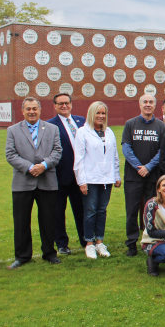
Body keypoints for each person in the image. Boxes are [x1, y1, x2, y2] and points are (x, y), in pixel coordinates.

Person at [5, 97, 63, 269]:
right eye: (28, 109)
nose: (31, 112)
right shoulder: (13, 130)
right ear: (22, 111)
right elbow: (10, 154)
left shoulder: (52, 129)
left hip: (47, 181)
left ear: (40, 110)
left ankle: (49, 253)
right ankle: (22, 256)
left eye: (34, 108)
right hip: (23, 182)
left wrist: (44, 165)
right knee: (21, 221)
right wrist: (30, 167)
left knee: (48, 220)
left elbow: (57, 151)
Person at [73, 101, 121, 259]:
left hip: (106, 179)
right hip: (91, 179)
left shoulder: (109, 132)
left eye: (103, 113)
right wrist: (81, 181)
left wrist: (117, 176)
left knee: (102, 211)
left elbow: (114, 156)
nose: (101, 116)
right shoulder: (82, 132)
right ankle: (89, 243)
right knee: (90, 211)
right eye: (98, 113)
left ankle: (100, 242)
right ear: (91, 114)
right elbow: (78, 159)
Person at [122, 94, 165, 257]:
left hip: (152, 176)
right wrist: (138, 167)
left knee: (152, 210)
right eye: (145, 102)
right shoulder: (130, 124)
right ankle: (131, 243)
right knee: (132, 210)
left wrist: (148, 167)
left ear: (155, 106)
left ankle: (149, 239)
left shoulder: (161, 126)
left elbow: (163, 150)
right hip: (133, 177)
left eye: (151, 102)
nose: (148, 105)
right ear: (140, 105)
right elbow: (126, 148)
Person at [46, 93, 86, 255]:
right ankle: (62, 244)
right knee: (58, 212)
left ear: (71, 104)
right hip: (60, 175)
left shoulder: (81, 121)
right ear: (54, 106)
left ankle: (86, 240)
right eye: (60, 103)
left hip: (80, 176)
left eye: (67, 103)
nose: (64, 106)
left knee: (82, 210)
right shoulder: (50, 125)